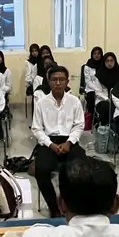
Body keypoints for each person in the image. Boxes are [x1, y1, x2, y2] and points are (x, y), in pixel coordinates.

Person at [31, 65, 85, 217]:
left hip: (69, 141)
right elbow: (36, 129)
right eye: (54, 79)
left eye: (61, 79)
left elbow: (79, 125)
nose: (58, 83)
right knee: (41, 170)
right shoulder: (41, 103)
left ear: (67, 81)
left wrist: (69, 142)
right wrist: (51, 145)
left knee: (81, 169)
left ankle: (71, 204)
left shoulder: (74, 101)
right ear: (49, 82)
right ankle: (54, 208)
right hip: (49, 142)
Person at [90, 52, 119, 124]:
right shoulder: (99, 75)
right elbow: (98, 91)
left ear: (115, 61)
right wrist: (107, 99)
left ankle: (115, 126)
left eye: (111, 61)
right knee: (106, 107)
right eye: (107, 61)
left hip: (117, 99)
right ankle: (105, 126)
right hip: (102, 99)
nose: (109, 63)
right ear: (104, 62)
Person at [82, 46, 104, 118]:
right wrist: (96, 89)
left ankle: (102, 118)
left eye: (98, 53)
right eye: (95, 54)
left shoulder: (104, 65)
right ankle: (91, 117)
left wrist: (101, 89)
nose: (97, 55)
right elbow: (88, 81)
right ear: (92, 55)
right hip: (91, 89)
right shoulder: (87, 66)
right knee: (91, 96)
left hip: (102, 88)